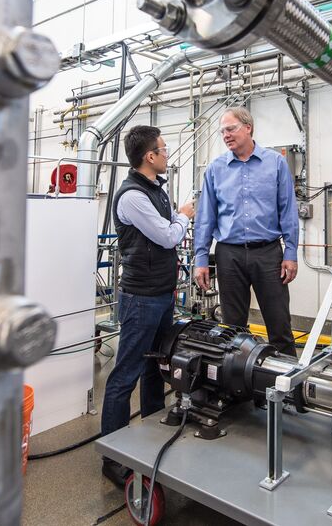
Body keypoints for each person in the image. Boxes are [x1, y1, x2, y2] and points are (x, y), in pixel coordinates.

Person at [100, 125, 194, 488]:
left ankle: (154, 429)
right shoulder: (132, 196)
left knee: (157, 366)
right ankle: (112, 455)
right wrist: (184, 215)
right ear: (149, 157)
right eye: (163, 149)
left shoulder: (156, 191)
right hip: (140, 298)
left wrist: (175, 217)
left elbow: (166, 234)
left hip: (161, 293)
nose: (167, 154)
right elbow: (169, 235)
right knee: (126, 373)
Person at [193, 107, 299, 356]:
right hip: (229, 255)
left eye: (231, 129)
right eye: (222, 131)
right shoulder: (215, 169)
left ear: (248, 127)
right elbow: (206, 218)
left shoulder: (275, 163)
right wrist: (200, 259)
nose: (226, 135)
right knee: (232, 328)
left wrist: (291, 253)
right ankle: (238, 389)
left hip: (268, 253)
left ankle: (287, 388)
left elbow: (288, 211)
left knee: (279, 324)